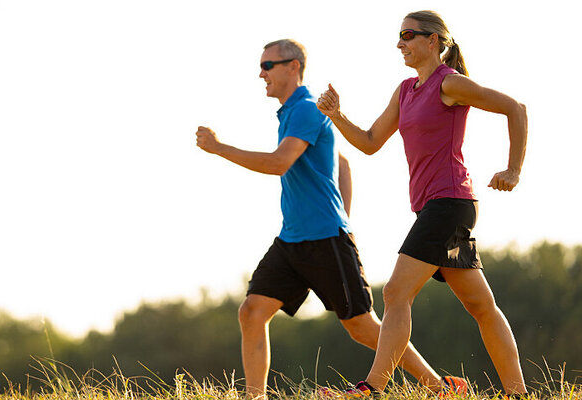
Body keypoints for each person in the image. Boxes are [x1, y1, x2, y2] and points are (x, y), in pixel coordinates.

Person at [196, 38, 465, 399]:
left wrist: (219, 148)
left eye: (268, 65)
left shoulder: (306, 109)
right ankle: (254, 396)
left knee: (364, 328)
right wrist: (345, 213)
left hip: (325, 240)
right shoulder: (292, 112)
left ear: (294, 67)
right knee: (252, 311)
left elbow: (279, 163)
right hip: (292, 240)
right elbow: (342, 164)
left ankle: (439, 387)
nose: (261, 74)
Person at [316, 10, 528, 397]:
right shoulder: (405, 91)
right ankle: (518, 393)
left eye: (408, 36)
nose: (400, 44)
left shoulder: (451, 84)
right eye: (399, 37)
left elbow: (516, 109)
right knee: (481, 306)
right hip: (437, 207)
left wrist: (513, 170)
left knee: (396, 293)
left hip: (449, 203)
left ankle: (371, 389)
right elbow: (368, 141)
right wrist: (337, 116)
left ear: (433, 41)